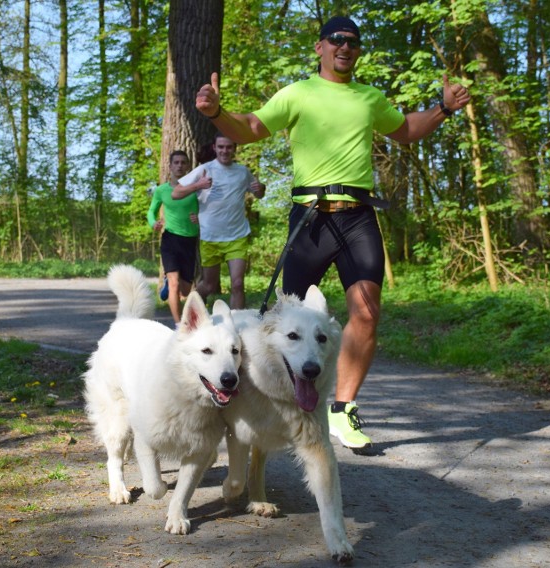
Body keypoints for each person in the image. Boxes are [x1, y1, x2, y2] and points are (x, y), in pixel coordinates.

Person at [193, 16, 471, 451]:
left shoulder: (369, 97)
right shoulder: (298, 93)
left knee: (368, 311)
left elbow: (407, 132)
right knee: (287, 320)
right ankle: (275, 400)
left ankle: (342, 410)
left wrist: (445, 108)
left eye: (354, 42)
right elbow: (249, 128)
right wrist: (215, 112)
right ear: (320, 47)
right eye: (337, 40)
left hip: (358, 216)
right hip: (310, 217)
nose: (346, 47)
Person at [171, 133, 265, 309]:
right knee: (209, 285)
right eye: (221, 147)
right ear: (215, 148)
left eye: (229, 147)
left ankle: (236, 328)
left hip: (237, 236)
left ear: (234, 148)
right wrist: (198, 185)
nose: (225, 151)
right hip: (210, 237)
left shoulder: (242, 172)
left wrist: (262, 189)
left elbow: (258, 193)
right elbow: (176, 193)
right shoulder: (204, 170)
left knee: (237, 284)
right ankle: (191, 309)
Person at [147, 150, 198, 327]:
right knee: (175, 284)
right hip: (170, 239)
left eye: (183, 162)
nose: (179, 166)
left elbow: (207, 211)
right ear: (169, 166)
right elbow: (151, 212)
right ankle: (178, 325)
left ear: (188, 167)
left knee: (185, 290)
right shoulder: (161, 190)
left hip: (190, 241)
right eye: (176, 162)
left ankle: (170, 283)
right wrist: (153, 223)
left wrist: (198, 218)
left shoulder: (195, 189)